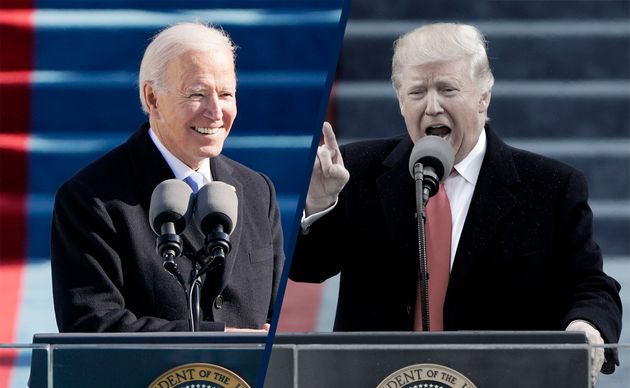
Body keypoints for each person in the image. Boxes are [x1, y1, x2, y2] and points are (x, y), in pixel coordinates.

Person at [290, 23, 622, 384]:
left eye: (447, 89)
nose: (432, 107)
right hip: (376, 379)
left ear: (484, 97)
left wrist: (587, 328)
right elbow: (307, 269)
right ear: (400, 101)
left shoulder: (551, 186)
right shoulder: (356, 172)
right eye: (417, 92)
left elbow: (590, 284)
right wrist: (318, 204)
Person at [51, 22, 284, 332]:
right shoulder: (91, 199)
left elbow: (278, 312)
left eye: (226, 94)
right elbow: (94, 325)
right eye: (198, 94)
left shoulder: (257, 190)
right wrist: (220, 338)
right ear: (153, 99)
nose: (215, 112)